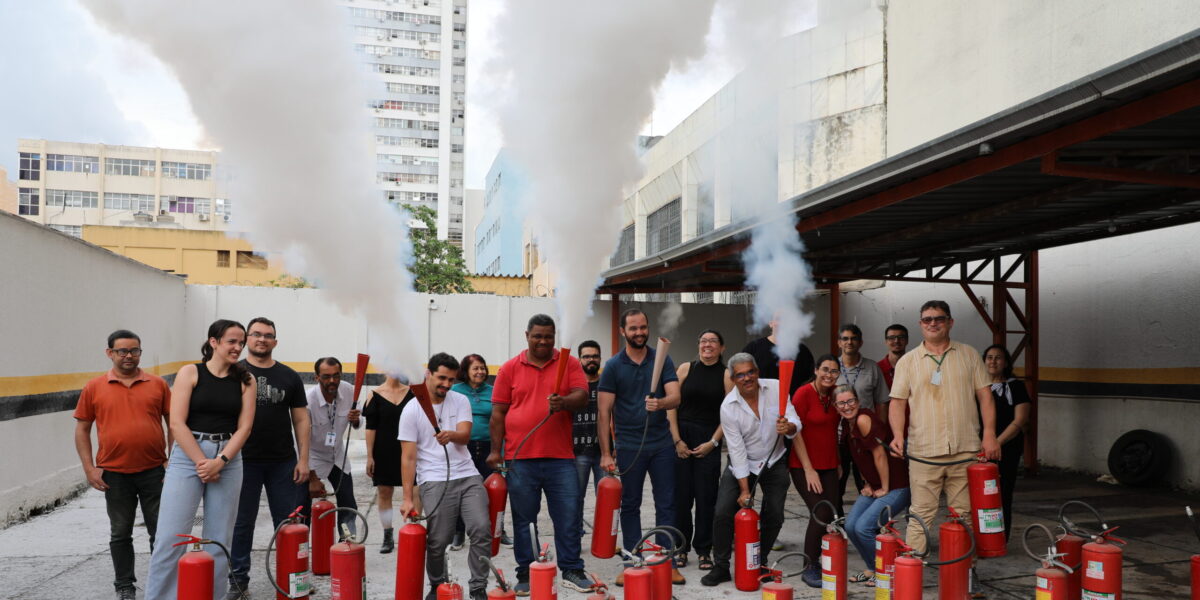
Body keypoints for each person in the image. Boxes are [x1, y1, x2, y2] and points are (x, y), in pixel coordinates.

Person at [145, 320, 256, 600]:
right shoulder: (190, 373)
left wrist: (220, 461)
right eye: (232, 341)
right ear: (214, 342)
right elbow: (177, 424)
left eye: (241, 342)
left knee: (218, 541)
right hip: (188, 456)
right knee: (170, 538)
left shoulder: (246, 380)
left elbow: (245, 427)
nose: (238, 347)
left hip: (228, 458)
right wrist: (202, 463)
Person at [486, 315, 596, 594]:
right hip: (519, 458)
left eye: (548, 336)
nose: (543, 341)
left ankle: (571, 568)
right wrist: (494, 452)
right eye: (537, 336)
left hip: (561, 457)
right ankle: (526, 572)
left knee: (569, 516)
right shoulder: (509, 368)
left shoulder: (568, 363)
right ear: (527, 335)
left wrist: (565, 402)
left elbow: (581, 396)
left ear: (554, 336)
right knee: (524, 518)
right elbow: (498, 414)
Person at [888, 301, 999, 554]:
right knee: (920, 516)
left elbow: (985, 397)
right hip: (924, 452)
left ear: (950, 322)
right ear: (920, 324)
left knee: (964, 516)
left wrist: (990, 435)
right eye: (927, 319)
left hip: (965, 450)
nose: (933, 323)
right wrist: (896, 435)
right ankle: (911, 576)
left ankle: (966, 577)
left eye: (939, 318)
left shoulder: (969, 355)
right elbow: (897, 403)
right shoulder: (907, 361)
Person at [74, 329, 172, 600]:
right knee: (120, 533)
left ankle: (163, 584)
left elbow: (173, 423)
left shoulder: (157, 384)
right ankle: (124, 586)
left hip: (155, 472)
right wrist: (89, 468)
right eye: (122, 351)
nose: (129, 356)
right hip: (114, 474)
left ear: (140, 352)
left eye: (134, 350)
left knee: (160, 533)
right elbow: (82, 430)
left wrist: (172, 460)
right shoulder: (94, 387)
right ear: (110, 353)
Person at [598, 308, 685, 585]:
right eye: (633, 328)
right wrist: (605, 453)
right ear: (623, 331)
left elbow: (676, 397)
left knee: (667, 503)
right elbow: (603, 412)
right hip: (629, 445)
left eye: (643, 327)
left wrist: (660, 403)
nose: (639, 333)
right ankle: (632, 561)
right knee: (630, 504)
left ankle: (664, 561)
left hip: (660, 444)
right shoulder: (613, 366)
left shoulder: (663, 358)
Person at [226, 317, 310, 599]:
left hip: (282, 462)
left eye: (268, 335)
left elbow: (300, 419)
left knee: (288, 524)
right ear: (247, 339)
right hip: (242, 461)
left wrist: (303, 459)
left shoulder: (289, 376)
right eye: (256, 334)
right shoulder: (232, 373)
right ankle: (238, 581)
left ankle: (290, 578)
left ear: (275, 341)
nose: (262, 339)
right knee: (241, 524)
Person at [699, 353, 799, 587]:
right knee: (723, 511)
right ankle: (721, 566)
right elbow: (737, 451)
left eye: (750, 371)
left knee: (774, 513)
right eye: (740, 375)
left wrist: (790, 426)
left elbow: (795, 420)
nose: (747, 378)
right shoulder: (728, 407)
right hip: (743, 463)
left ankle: (759, 561)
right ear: (733, 378)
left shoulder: (776, 387)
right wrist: (745, 491)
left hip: (774, 460)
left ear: (757, 371)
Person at [399, 353, 492, 600]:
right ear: (428, 374)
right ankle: (438, 585)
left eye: (451, 380)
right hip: (434, 479)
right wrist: (408, 498)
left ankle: (478, 586)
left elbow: (465, 435)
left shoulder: (460, 400)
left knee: (481, 529)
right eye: (442, 378)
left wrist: (450, 435)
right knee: (438, 540)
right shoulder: (411, 410)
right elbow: (408, 458)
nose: (447, 385)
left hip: (468, 475)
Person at [667, 329, 731, 572]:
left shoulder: (726, 375)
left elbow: (728, 414)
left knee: (706, 499)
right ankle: (680, 547)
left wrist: (713, 443)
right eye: (703, 341)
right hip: (682, 437)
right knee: (681, 498)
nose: (707, 345)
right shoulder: (685, 368)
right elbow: (671, 405)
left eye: (713, 341)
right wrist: (676, 440)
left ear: (722, 348)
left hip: (708, 440)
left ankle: (704, 550)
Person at [834, 385, 910, 587]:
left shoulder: (862, 419)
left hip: (896, 485)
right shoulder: (846, 424)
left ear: (858, 402)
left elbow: (879, 455)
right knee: (850, 526)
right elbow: (860, 458)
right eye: (841, 403)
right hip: (875, 485)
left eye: (851, 401)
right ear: (836, 406)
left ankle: (884, 571)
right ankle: (872, 567)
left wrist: (884, 487)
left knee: (864, 528)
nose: (847, 406)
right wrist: (868, 483)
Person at [789, 354, 845, 587]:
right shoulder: (803, 393)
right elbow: (795, 433)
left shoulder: (834, 396)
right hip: (804, 465)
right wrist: (809, 469)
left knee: (831, 513)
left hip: (830, 464)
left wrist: (839, 461)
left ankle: (820, 558)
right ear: (815, 370)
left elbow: (834, 431)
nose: (829, 375)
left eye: (833, 371)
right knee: (820, 512)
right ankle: (809, 565)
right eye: (825, 369)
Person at [834, 324, 890, 518]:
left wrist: (879, 433)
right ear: (839, 342)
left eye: (854, 338)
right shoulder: (832, 368)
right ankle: (838, 523)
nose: (850, 342)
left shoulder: (872, 368)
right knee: (837, 483)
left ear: (860, 342)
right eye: (845, 338)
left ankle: (869, 521)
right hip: (839, 436)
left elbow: (882, 402)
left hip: (865, 436)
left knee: (867, 480)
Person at [451, 353, 503, 550]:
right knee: (460, 490)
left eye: (482, 368)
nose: (480, 372)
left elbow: (501, 419)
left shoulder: (494, 391)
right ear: (466, 371)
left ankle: (498, 530)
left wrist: (502, 450)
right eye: (475, 368)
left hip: (491, 448)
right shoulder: (455, 391)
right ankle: (459, 532)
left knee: (494, 490)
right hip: (463, 447)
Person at [307, 357, 362, 536]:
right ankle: (301, 547)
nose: (332, 381)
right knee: (302, 506)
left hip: (338, 456)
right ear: (317, 378)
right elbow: (300, 442)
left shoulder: (348, 390)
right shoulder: (308, 401)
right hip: (313, 457)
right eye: (326, 376)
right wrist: (312, 477)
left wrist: (356, 420)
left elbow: (359, 421)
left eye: (336, 376)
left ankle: (347, 543)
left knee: (349, 504)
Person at [983, 344, 1031, 540]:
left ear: (1006, 363)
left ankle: (1000, 538)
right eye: (989, 357)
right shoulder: (979, 387)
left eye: (998, 358)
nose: (993, 361)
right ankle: (982, 538)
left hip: (1006, 448)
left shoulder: (1016, 386)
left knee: (1002, 494)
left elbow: (1020, 420)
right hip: (981, 448)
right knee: (981, 495)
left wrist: (997, 442)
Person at [363, 375, 414, 554]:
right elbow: (370, 427)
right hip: (383, 449)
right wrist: (370, 456)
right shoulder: (374, 394)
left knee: (415, 491)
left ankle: (413, 531)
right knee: (384, 491)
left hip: (409, 449)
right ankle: (387, 534)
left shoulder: (412, 392)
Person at [573, 340, 604, 543]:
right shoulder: (573, 385)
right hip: (577, 451)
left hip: (604, 452)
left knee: (606, 499)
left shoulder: (607, 384)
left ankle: (603, 539)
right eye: (586, 356)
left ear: (600, 359)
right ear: (579, 359)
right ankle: (575, 536)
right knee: (576, 499)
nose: (591, 359)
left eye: (594, 356)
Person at [740, 315, 815, 398]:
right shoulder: (754, 347)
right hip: (762, 403)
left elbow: (810, 380)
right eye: (778, 319)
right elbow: (739, 373)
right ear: (771, 323)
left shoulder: (802, 350)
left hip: (793, 405)